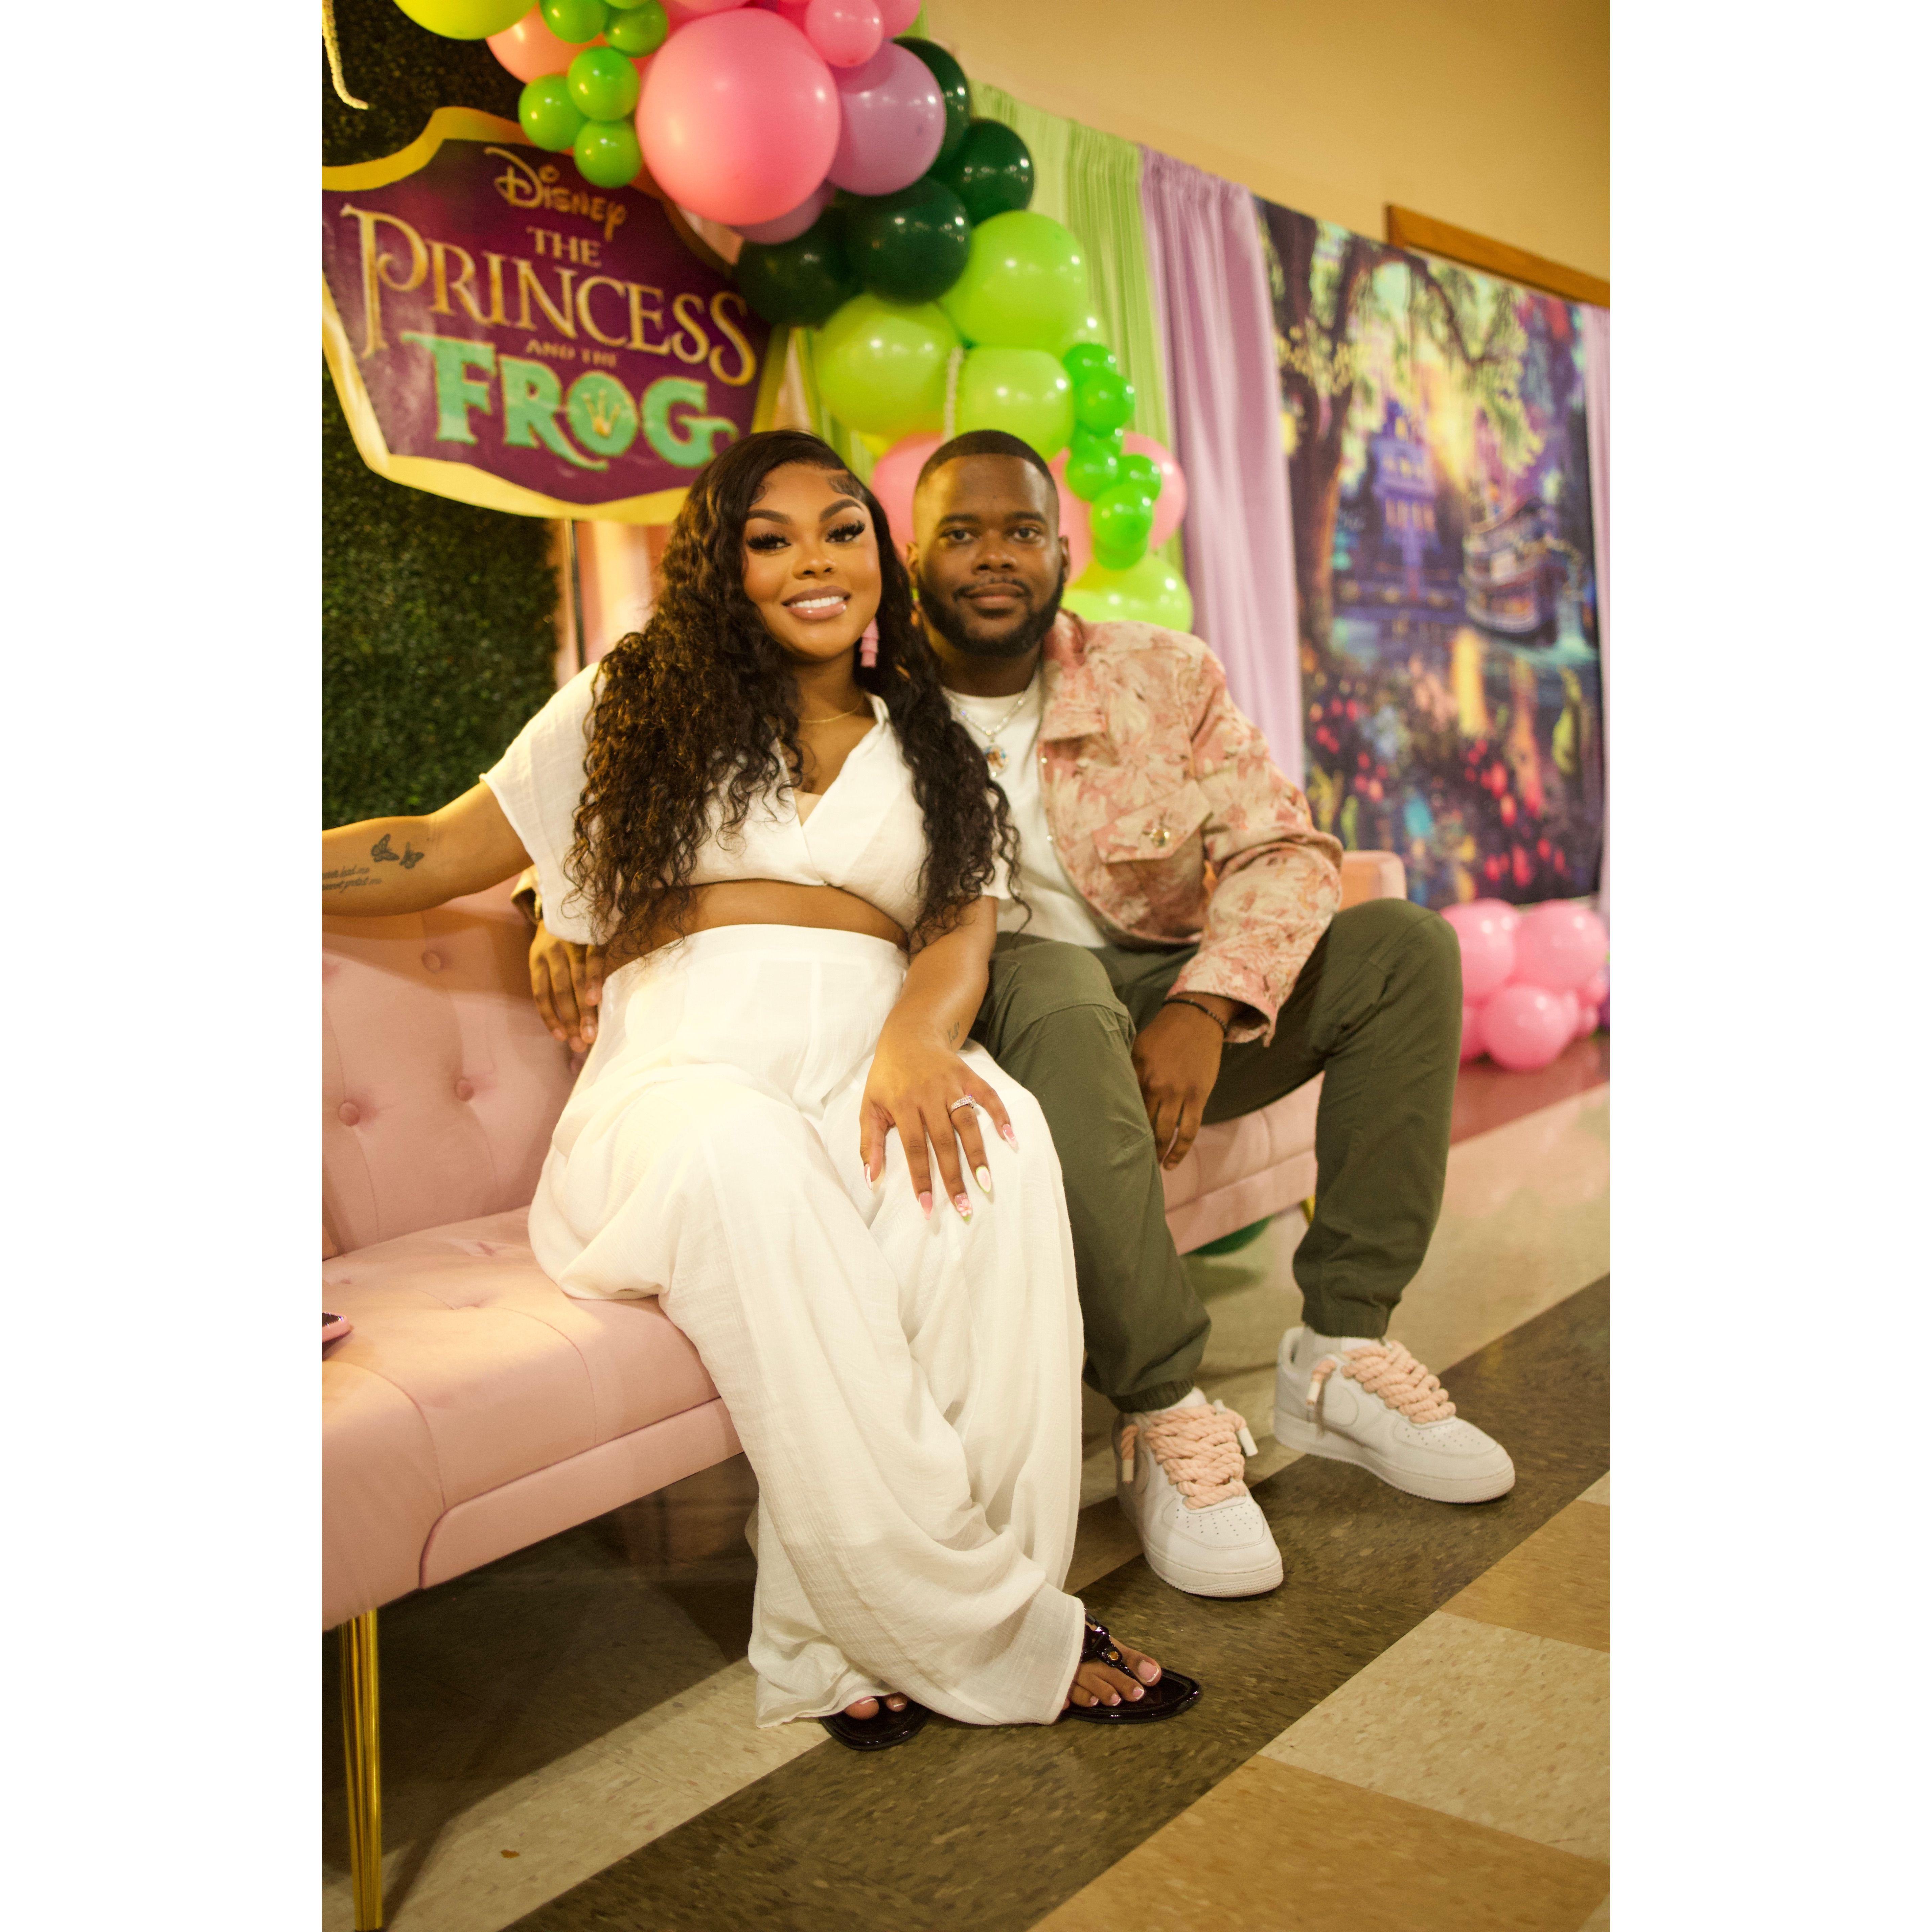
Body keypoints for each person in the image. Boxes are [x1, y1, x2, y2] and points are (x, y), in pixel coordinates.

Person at [521, 429, 1515, 1606]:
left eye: (1023, 531)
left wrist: (1206, 1005)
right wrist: (554, 900)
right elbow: (648, 787)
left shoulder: (1160, 675)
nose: (995, 556)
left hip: (1163, 1001)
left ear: (1063, 554)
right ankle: (1160, 1410)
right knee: (1057, 983)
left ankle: (1343, 1352)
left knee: (1403, 948)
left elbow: (1285, 847)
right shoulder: (857, 688)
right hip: (994, 1008)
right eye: (961, 533)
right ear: (911, 557)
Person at [320, 430, 1199, 1748]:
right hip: (683, 1080)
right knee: (748, 1158)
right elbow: (440, 847)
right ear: (720, 568)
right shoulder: (635, 700)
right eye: (768, 540)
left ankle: (834, 1631)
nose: (813, 563)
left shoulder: (931, 741)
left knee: (999, 1151)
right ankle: (992, 1629)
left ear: (879, 556)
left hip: (870, 1058)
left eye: (841, 531)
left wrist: (921, 1041)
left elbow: (960, 927)